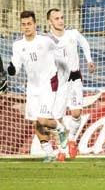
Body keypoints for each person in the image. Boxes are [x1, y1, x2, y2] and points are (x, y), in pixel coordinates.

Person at [8, 11, 67, 162]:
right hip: (32, 87)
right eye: (23, 24)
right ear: (21, 26)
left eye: (29, 24)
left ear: (35, 25)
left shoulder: (45, 41)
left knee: (43, 120)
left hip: (48, 83)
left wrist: (65, 69)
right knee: (36, 122)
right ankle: (49, 153)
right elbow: (16, 65)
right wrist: (12, 69)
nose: (26, 27)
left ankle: (61, 129)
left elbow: (60, 51)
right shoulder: (17, 45)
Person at [46, 8, 96, 160]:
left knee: (76, 113)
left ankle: (72, 139)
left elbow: (84, 44)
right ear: (50, 22)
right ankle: (61, 150)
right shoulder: (46, 40)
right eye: (57, 18)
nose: (61, 21)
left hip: (74, 79)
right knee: (57, 118)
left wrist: (89, 60)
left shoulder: (72, 33)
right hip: (58, 83)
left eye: (62, 17)